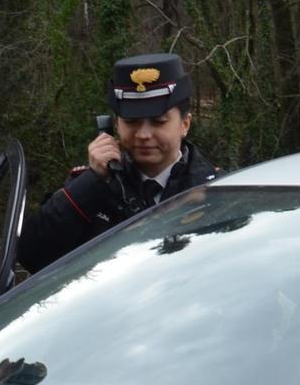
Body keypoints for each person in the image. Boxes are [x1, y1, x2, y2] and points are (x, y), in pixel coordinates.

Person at [12, 51, 219, 279]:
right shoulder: (93, 187)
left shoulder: (219, 191)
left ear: (185, 125)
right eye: (131, 122)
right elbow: (32, 255)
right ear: (115, 126)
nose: (143, 134)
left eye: (159, 122)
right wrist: (93, 181)